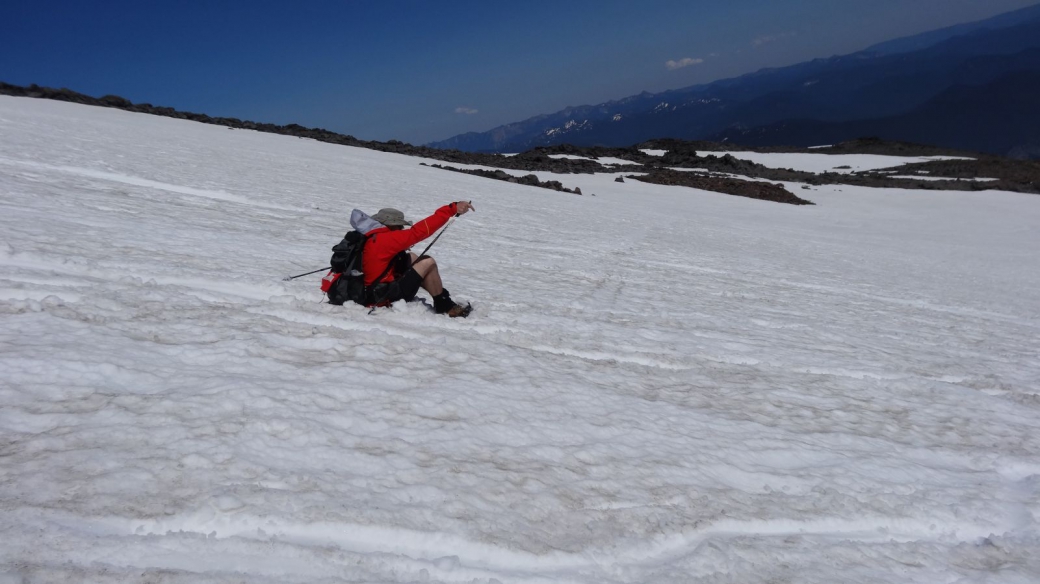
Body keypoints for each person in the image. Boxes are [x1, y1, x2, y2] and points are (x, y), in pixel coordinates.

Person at [364, 201, 474, 316]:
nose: (402, 229)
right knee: (427, 262)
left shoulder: (373, 236)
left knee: (412, 257)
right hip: (381, 297)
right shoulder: (387, 239)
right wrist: (451, 209)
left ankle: (442, 299)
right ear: (392, 225)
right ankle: (444, 306)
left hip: (372, 290)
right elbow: (419, 231)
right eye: (400, 226)